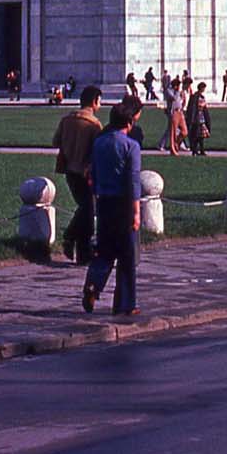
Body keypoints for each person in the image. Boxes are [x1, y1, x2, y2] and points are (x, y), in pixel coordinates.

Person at [82, 100, 143, 316]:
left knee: (105, 250)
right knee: (127, 255)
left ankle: (93, 283)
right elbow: (133, 181)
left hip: (104, 201)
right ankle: (125, 304)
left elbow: (93, 173)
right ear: (129, 122)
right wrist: (136, 212)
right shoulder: (131, 146)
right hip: (124, 203)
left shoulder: (99, 143)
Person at [53, 86, 103, 265]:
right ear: (95, 101)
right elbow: (98, 150)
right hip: (85, 172)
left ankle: (83, 254)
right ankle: (70, 236)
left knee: (86, 210)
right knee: (87, 209)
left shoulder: (67, 120)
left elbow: (56, 142)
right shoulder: (94, 125)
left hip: (69, 170)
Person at [185, 84, 212, 157]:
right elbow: (193, 108)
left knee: (201, 136)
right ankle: (195, 150)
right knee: (196, 135)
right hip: (197, 118)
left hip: (201, 118)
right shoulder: (195, 97)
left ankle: (201, 150)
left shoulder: (201, 97)